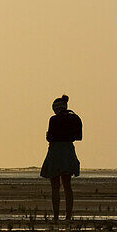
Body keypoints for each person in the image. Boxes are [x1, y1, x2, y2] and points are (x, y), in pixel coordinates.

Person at [40, 94, 82, 222]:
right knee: (67, 185)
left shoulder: (53, 119)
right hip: (68, 151)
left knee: (55, 186)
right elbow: (79, 137)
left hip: (55, 152)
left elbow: (50, 137)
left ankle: (56, 216)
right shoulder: (75, 118)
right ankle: (68, 216)